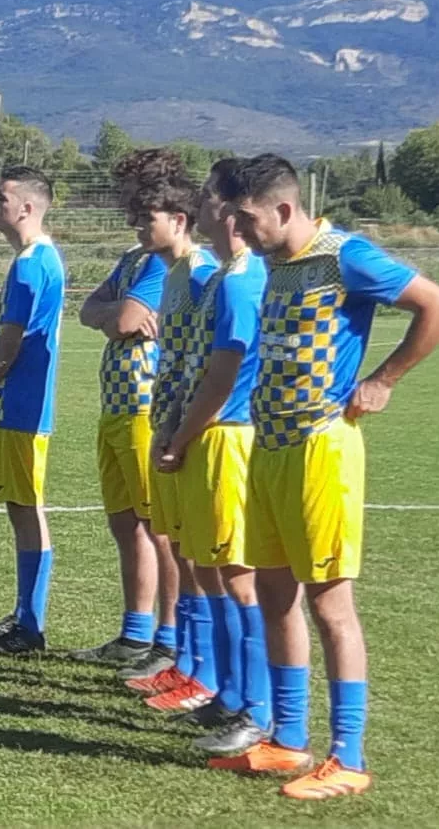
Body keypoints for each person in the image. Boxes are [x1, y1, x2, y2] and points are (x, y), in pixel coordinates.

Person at [207, 155, 439, 799]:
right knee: (276, 593)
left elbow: (432, 305)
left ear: (283, 209)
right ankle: (288, 741)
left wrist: (382, 381)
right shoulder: (274, 265)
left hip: (320, 448)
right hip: (271, 446)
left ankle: (351, 756)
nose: (242, 230)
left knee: (329, 602)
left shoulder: (347, 257)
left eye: (248, 219)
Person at [154, 159, 274, 758]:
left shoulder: (240, 280)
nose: (199, 212)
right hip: (203, 433)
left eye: (206, 202)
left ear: (229, 211)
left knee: (238, 575)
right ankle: (225, 690)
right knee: (209, 564)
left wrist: (179, 433)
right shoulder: (224, 277)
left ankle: (254, 705)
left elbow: (224, 374)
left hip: (228, 436)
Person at [69, 150, 179, 673]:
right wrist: (114, 314)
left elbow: (129, 318)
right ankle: (134, 633)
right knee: (124, 524)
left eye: (139, 206)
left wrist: (115, 314)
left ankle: (169, 638)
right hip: (114, 406)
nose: (131, 216)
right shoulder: (133, 260)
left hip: (144, 408)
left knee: (158, 526)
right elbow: (92, 311)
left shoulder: (164, 263)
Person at [0, 166, 67, 655]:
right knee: (21, 509)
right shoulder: (35, 259)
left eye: (1, 197)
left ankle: (31, 624)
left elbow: (10, 341)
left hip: (19, 407)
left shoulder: (32, 265)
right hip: (17, 407)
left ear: (27, 207)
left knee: (27, 510)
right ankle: (25, 615)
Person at [130, 166, 222, 714]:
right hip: (166, 422)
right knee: (183, 552)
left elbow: (214, 360)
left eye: (149, 218)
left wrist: (185, 428)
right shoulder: (169, 276)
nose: (141, 227)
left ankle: (205, 674)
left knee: (202, 560)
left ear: (180, 220)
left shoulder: (205, 273)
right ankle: (187, 665)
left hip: (199, 434)